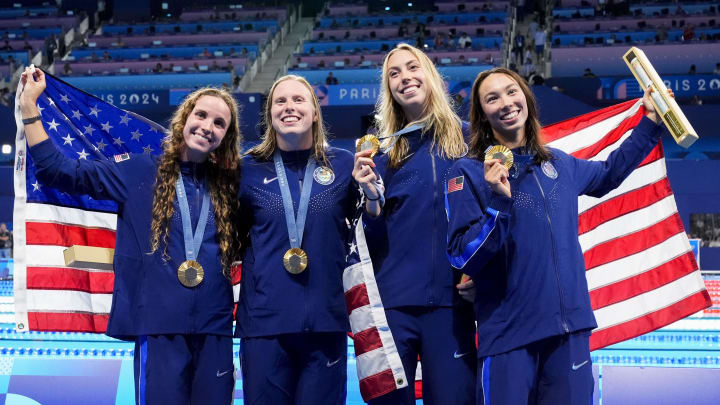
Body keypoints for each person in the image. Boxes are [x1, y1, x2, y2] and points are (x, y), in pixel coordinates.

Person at [18, 67, 242, 404]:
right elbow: (58, 171)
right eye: (201, 115)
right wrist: (29, 108)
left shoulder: (231, 185)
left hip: (216, 330)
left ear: (226, 137)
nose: (207, 127)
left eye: (219, 123)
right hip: (158, 327)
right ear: (184, 118)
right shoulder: (138, 170)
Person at [445, 67, 669, 404]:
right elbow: (462, 255)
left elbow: (609, 173)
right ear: (482, 115)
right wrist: (497, 203)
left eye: (511, 91)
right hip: (509, 336)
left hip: (568, 333)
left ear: (526, 99)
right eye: (492, 98)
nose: (506, 103)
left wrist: (650, 122)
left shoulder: (560, 165)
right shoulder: (469, 172)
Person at [352, 43, 476, 405]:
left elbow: (494, 214)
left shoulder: (471, 141)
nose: (405, 78)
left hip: (453, 306)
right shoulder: (383, 154)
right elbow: (372, 242)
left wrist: (482, 273)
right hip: (394, 308)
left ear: (430, 75)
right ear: (388, 89)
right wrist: (371, 202)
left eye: (412, 68)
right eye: (394, 74)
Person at [236, 74, 360, 405]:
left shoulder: (344, 165)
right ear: (270, 114)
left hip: (325, 322)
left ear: (315, 113)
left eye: (299, 100)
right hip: (263, 325)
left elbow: (367, 229)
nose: (289, 107)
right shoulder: (245, 170)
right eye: (281, 101)